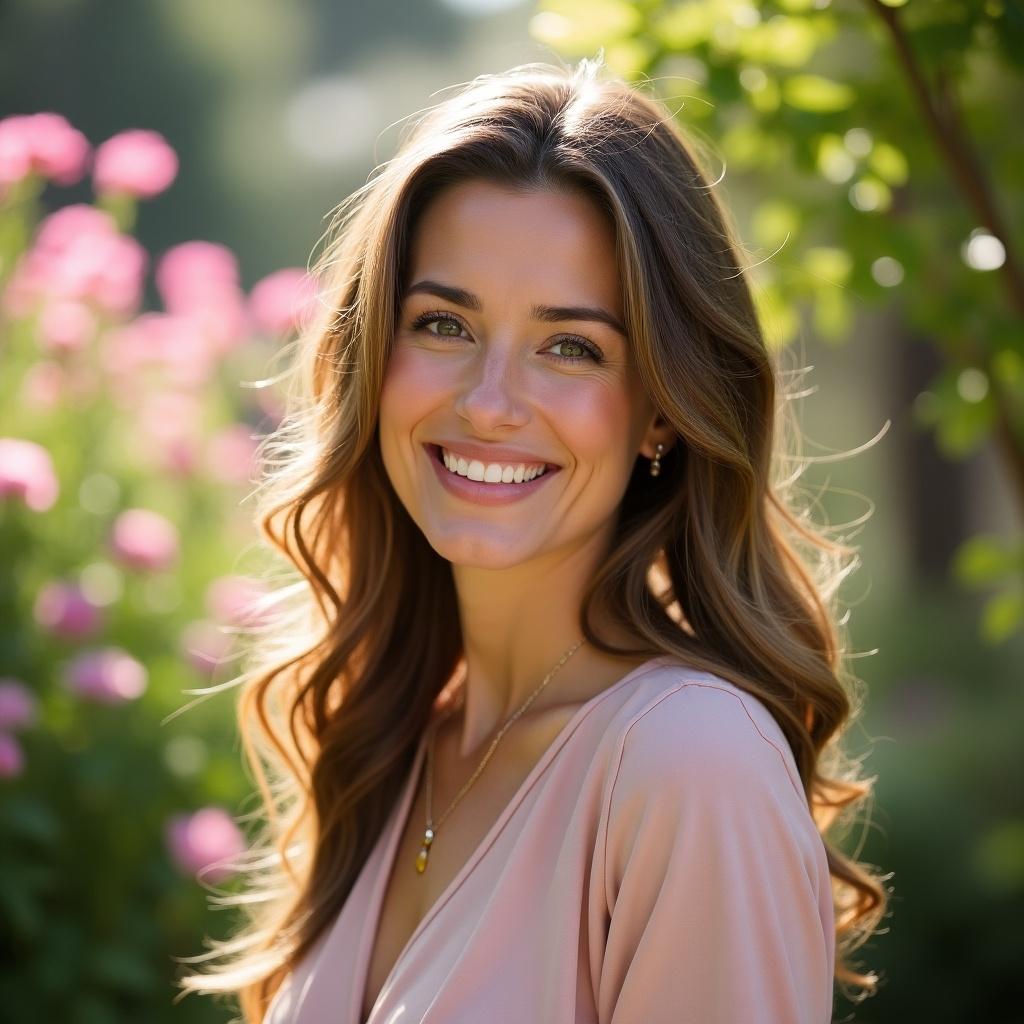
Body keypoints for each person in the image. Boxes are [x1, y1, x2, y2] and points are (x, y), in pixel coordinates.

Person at [176, 57, 888, 1023]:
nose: (490, 403)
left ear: (661, 414)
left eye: (571, 347)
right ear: (373, 355)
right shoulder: (393, 735)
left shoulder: (689, 765)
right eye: (442, 324)